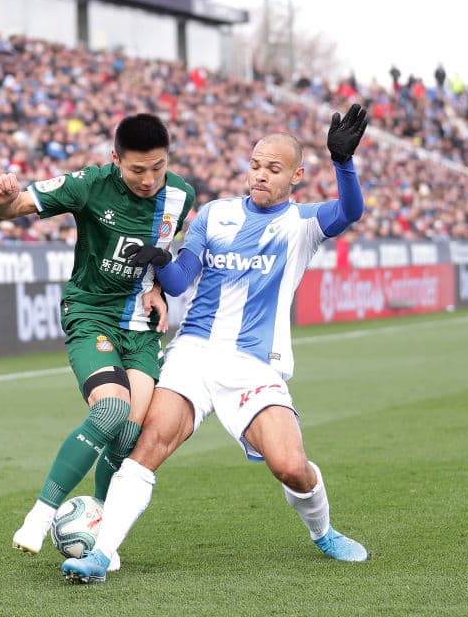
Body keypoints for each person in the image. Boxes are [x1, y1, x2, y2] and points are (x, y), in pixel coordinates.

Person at [61, 103, 371, 583]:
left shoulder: (303, 224)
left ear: (297, 176)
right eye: (255, 166)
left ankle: (323, 531)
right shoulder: (214, 215)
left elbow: (351, 211)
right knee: (149, 447)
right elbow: (181, 281)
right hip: (194, 355)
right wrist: (161, 260)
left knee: (291, 467)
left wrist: (343, 163)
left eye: (274, 169)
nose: (261, 175)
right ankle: (99, 557)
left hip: (254, 365)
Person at [0, 113, 195, 566]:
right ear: (115, 159)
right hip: (90, 314)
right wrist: (2, 198)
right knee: (110, 410)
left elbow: (161, 253)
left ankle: (99, 531)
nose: (148, 179)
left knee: (127, 435)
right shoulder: (88, 184)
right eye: (137, 169)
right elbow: (13, 208)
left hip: (140, 329)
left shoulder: (181, 195)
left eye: (157, 168)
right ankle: (41, 515)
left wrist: (158, 289)